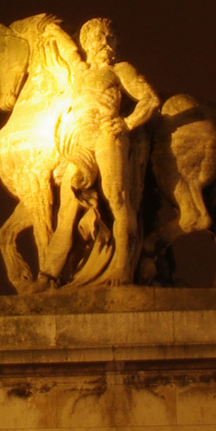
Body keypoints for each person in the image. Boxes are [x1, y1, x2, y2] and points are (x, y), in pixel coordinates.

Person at [66, 17, 160, 284]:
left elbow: (150, 99)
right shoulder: (79, 75)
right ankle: (54, 273)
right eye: (99, 37)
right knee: (67, 208)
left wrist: (127, 123)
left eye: (111, 38)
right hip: (79, 145)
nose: (106, 43)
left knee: (118, 200)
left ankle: (123, 267)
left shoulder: (120, 70)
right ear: (86, 42)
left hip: (108, 137)